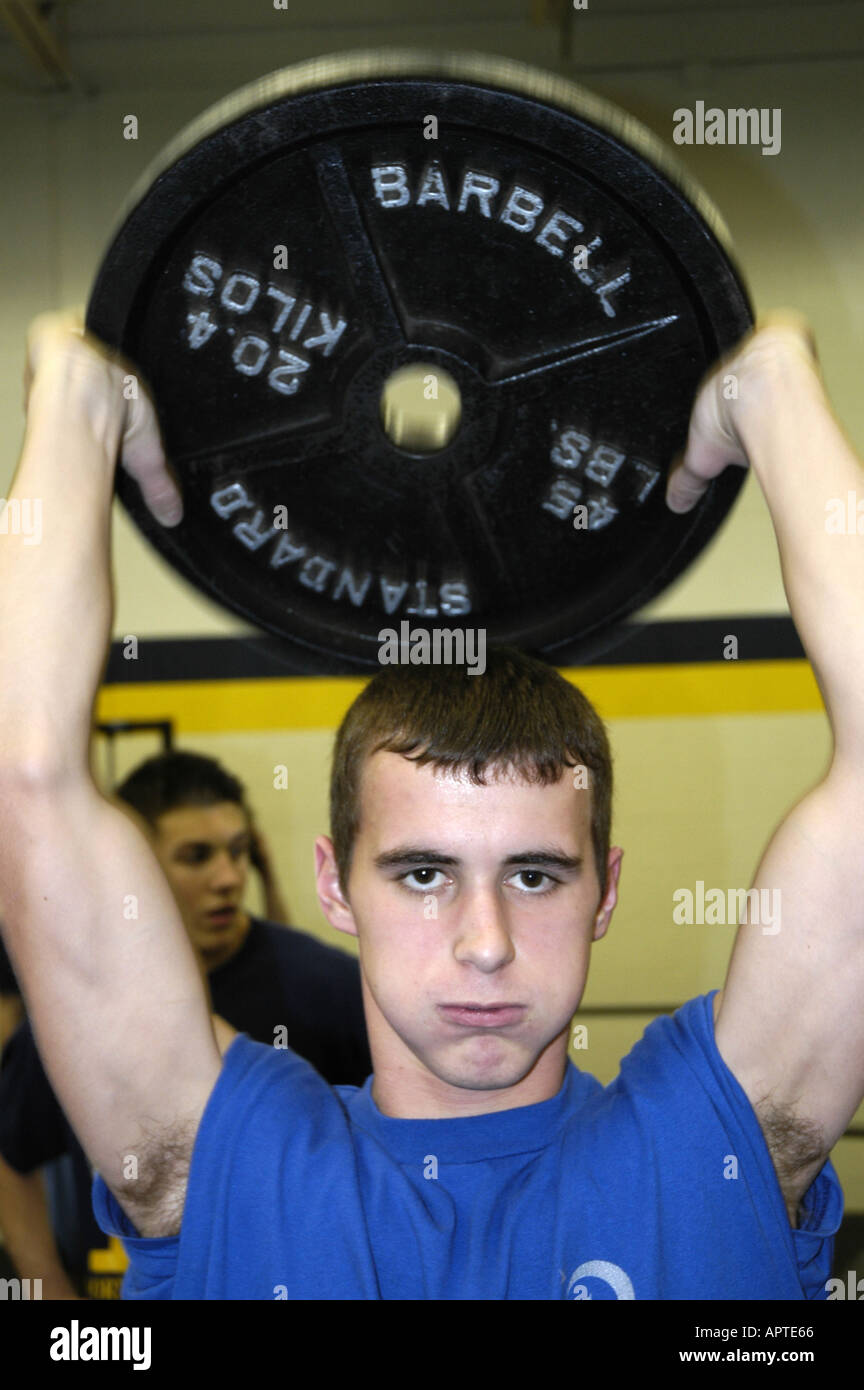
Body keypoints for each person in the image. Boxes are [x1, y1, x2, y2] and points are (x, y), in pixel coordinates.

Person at [0, 308, 859, 1299]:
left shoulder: (709, 1149)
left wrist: (779, 391)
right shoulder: (233, 1173)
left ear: (606, 891)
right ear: (334, 883)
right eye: (422, 873)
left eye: (536, 874)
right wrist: (73, 408)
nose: (484, 941)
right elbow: (26, 784)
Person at [0, 750, 371, 1298]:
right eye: (197, 856)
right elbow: (9, 1156)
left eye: (238, 851)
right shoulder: (85, 1005)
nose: (227, 877)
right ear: (139, 867)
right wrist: (47, 1289)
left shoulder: (330, 987)